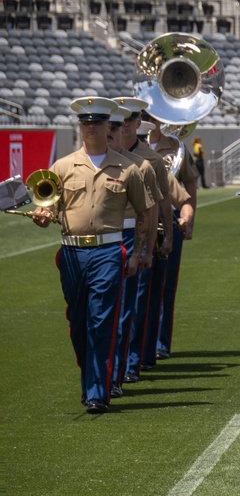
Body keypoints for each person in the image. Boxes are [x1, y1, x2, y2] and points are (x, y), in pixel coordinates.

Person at [32, 97, 154, 413]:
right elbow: (52, 209)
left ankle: (98, 391)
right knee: (78, 320)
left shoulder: (127, 168)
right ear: (80, 126)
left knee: (101, 321)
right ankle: (91, 379)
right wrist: (43, 215)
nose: (91, 127)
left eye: (97, 122)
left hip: (108, 252)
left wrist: (139, 253)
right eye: (86, 122)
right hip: (72, 253)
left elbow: (145, 212)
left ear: (107, 125)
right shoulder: (61, 166)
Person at [115, 99, 174, 384]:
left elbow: (162, 204)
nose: (125, 124)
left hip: (136, 233)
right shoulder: (106, 156)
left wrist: (166, 238)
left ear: (139, 122)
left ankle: (131, 362)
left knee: (135, 303)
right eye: (120, 119)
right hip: (109, 234)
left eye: (131, 118)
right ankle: (115, 362)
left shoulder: (151, 161)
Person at [106, 102, 161, 399]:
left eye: (127, 121)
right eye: (115, 123)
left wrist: (147, 249)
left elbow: (151, 211)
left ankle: (117, 372)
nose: (121, 127)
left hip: (127, 236)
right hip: (95, 240)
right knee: (92, 315)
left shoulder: (142, 166)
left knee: (124, 311)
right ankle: (100, 372)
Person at [144, 116, 198, 361]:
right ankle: (139, 343)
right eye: (143, 116)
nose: (147, 120)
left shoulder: (177, 147)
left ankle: (160, 341)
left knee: (166, 283)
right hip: (139, 217)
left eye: (151, 116)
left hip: (171, 215)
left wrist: (190, 222)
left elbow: (189, 182)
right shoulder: (128, 144)